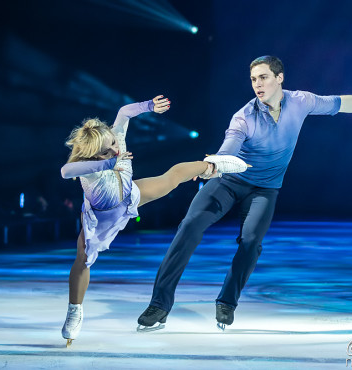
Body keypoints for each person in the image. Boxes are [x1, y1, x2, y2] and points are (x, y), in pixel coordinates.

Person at [137, 56, 352, 331]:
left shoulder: (301, 101)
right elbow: (228, 149)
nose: (257, 84)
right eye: (254, 79)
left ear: (280, 78)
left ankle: (226, 303)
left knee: (251, 241)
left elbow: (341, 102)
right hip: (229, 181)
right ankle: (159, 304)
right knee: (190, 226)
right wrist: (213, 165)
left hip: (265, 189)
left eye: (264, 77)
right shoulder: (244, 117)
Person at [60, 95, 248, 346]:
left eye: (114, 143)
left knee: (171, 178)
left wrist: (148, 106)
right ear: (96, 155)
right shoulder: (89, 168)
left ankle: (211, 167)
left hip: (129, 195)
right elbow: (65, 171)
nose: (116, 149)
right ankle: (75, 310)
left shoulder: (115, 141)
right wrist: (109, 163)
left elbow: (124, 112)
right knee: (83, 259)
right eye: (107, 150)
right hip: (102, 217)